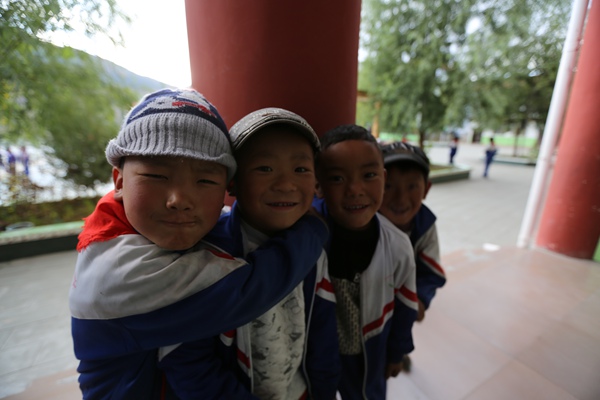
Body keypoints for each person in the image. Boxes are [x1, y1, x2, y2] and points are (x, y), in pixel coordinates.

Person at [68, 89, 330, 399]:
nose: (179, 200)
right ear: (120, 181)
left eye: (205, 181)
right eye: (156, 175)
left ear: (225, 189)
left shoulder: (137, 232)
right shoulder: (118, 272)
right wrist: (314, 227)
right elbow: (249, 289)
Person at [160, 108, 341, 399]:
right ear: (232, 182)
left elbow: (323, 339)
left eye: (301, 169)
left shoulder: (313, 253)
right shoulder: (206, 253)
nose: (285, 184)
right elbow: (187, 362)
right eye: (265, 168)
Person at [312, 124, 418, 400]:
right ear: (318, 186)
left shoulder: (397, 245)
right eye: (336, 178)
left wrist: (397, 353)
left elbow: (406, 306)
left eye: (369, 175)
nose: (355, 189)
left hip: (370, 351)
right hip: (319, 352)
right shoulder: (307, 238)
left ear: (383, 178)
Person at [378, 141, 446, 326]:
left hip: (403, 304)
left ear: (427, 189)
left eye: (412, 186)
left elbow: (430, 272)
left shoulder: (425, 226)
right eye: (388, 186)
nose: (401, 198)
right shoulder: (366, 220)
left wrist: (421, 300)